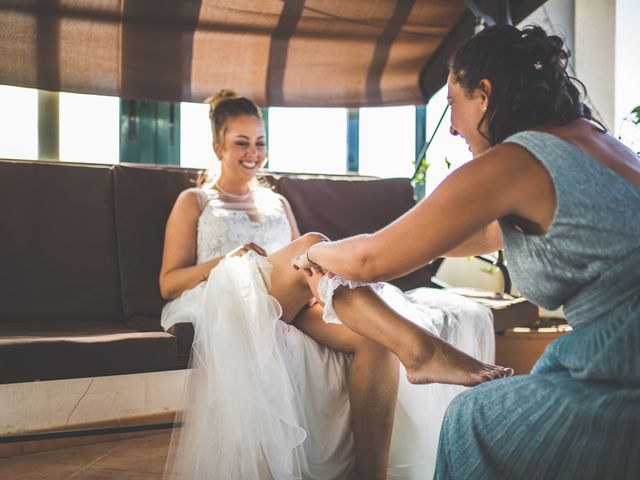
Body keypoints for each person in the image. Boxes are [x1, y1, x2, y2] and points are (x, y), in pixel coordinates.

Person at [292, 24, 640, 479]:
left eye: (453, 104)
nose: (453, 128)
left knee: (472, 418)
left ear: (485, 94)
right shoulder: (600, 142)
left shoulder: (515, 160)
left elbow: (370, 260)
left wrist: (319, 252)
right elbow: (475, 236)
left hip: (621, 367)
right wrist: (370, 252)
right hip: (619, 351)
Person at [159, 89, 509, 480]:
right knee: (311, 243)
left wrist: (310, 288)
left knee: (374, 339)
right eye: (241, 143)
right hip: (229, 294)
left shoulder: (278, 203)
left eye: (260, 143)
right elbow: (169, 283)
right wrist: (228, 259)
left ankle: (369, 472)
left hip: (286, 297)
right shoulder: (195, 200)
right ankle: (422, 351)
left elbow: (295, 265)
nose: (252, 153)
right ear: (217, 146)